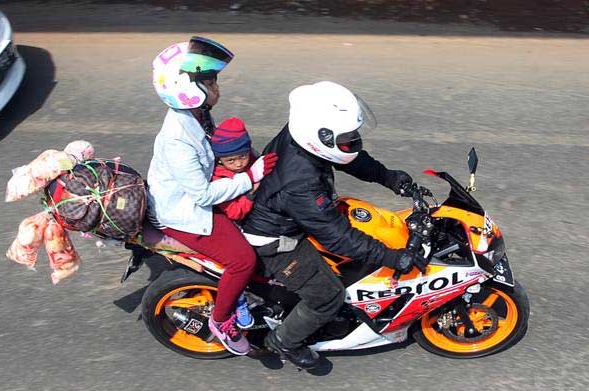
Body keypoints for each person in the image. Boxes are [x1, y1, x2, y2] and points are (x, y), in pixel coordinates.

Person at [241, 81, 423, 369]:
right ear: (320, 136)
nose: (353, 140)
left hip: (287, 213)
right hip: (275, 241)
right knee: (327, 296)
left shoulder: (303, 136)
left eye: (353, 135)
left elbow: (347, 156)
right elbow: (338, 238)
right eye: (347, 137)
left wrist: (387, 177)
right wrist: (392, 257)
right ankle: (284, 342)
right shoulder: (300, 183)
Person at [147, 37, 277, 356]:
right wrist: (251, 176)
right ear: (187, 87)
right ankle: (222, 320)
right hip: (184, 213)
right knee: (243, 259)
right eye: (210, 80)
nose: (217, 86)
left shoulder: (198, 114)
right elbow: (203, 195)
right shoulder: (177, 138)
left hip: (201, 191)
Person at [210, 117, 260, 328]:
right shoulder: (219, 180)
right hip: (234, 223)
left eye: (242, 156)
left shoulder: (252, 162)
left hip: (254, 213)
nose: (239, 163)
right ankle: (238, 298)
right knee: (246, 260)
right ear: (220, 160)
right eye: (232, 160)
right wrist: (251, 193)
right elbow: (234, 211)